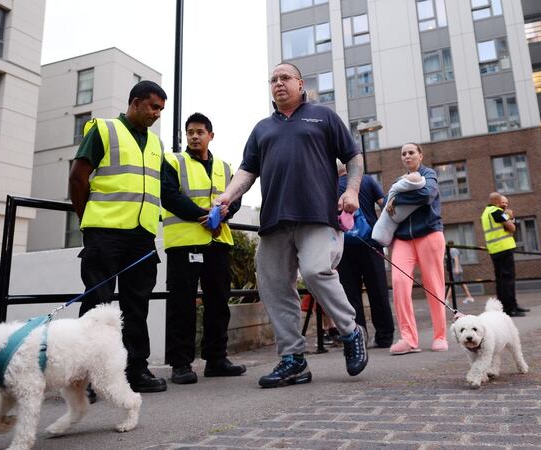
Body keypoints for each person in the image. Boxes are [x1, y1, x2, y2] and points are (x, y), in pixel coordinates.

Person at [215, 62, 369, 388]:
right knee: (273, 287)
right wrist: (227, 196)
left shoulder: (323, 116)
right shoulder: (261, 129)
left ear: (301, 84)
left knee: (315, 271)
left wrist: (352, 190)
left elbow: (353, 157)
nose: (278, 83)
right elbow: (247, 170)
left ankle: (351, 330)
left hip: (317, 215)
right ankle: (293, 359)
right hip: (274, 219)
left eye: (285, 78)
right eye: (273, 79)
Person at [68, 80, 167, 394]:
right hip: (105, 235)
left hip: (142, 236)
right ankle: (83, 380)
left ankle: (136, 371)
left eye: (161, 110)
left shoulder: (155, 144)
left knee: (137, 307)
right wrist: (88, 221)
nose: (157, 114)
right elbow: (77, 176)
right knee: (98, 307)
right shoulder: (104, 130)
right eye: (153, 107)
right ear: (135, 102)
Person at [161, 113, 247, 385]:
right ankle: (181, 364)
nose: (194, 136)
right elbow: (169, 195)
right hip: (184, 242)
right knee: (181, 305)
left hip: (217, 243)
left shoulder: (223, 165)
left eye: (200, 132)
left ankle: (216, 359)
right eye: (190, 132)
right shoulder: (173, 161)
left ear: (211, 135)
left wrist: (224, 213)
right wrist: (201, 214)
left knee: (218, 302)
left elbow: (235, 196)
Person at [386, 143, 449, 354]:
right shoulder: (398, 180)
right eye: (403, 153)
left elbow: (426, 195)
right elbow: (387, 203)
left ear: (420, 156)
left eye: (411, 152)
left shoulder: (429, 174)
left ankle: (440, 336)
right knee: (399, 282)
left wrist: (397, 198)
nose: (407, 156)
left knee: (434, 285)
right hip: (403, 238)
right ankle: (408, 338)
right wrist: (392, 198)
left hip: (429, 234)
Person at [335, 162, 395, 348]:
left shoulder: (329, 185)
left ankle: (359, 337)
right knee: (378, 291)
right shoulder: (367, 180)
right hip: (371, 243)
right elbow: (384, 205)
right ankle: (385, 337)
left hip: (343, 246)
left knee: (350, 295)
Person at [481, 193, 529, 317]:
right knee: (508, 280)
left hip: (494, 250)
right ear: (497, 201)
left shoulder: (485, 213)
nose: (505, 205)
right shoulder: (497, 211)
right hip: (504, 248)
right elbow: (512, 228)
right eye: (503, 202)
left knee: (501, 281)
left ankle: (506, 307)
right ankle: (510, 308)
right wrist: (511, 217)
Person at [371, 171, 425, 246]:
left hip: (418, 232)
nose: (406, 158)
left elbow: (426, 195)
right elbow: (385, 201)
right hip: (402, 234)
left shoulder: (426, 174)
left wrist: (395, 199)